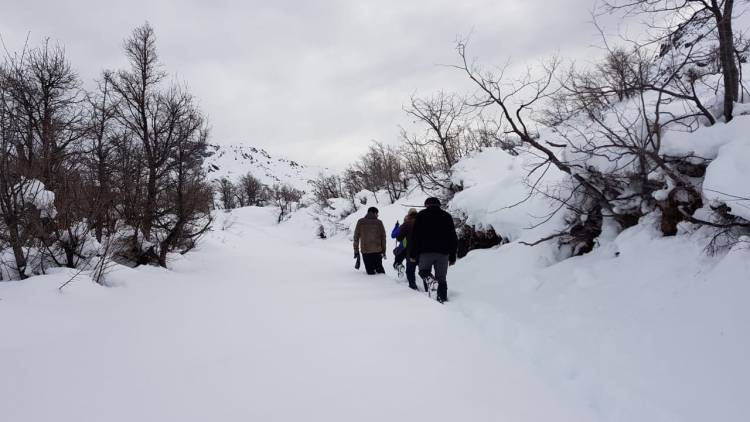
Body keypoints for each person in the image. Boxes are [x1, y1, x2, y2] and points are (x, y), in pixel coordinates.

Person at [409, 197, 458, 302]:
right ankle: (443, 300)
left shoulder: (421, 215)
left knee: (423, 272)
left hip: (426, 252)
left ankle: (431, 281)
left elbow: (415, 237)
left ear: (427, 205)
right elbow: (453, 238)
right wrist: (453, 256)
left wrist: (413, 254)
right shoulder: (447, 216)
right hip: (443, 253)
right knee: (441, 278)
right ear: (439, 205)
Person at [353, 207, 387, 275]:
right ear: (374, 213)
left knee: (370, 272)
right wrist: (383, 251)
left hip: (365, 252)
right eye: (377, 214)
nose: (377, 215)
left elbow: (356, 237)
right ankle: (384, 284)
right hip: (377, 251)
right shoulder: (379, 222)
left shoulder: (361, 222)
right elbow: (383, 237)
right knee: (380, 271)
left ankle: (372, 285)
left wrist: (356, 250)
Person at [395, 208, 419, 290]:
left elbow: (399, 238)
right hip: (423, 251)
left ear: (409, 215)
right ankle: (428, 289)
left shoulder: (407, 224)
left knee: (410, 271)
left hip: (411, 251)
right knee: (424, 271)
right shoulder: (424, 222)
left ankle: (413, 287)